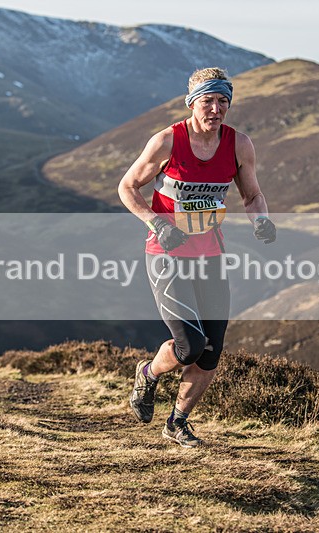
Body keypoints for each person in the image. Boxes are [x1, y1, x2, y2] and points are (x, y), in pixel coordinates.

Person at [118, 67, 277, 447]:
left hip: (211, 255)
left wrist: (262, 221)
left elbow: (252, 195)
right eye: (208, 101)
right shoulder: (167, 141)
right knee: (190, 345)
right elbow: (127, 187)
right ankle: (149, 373)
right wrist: (157, 224)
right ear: (191, 103)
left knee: (211, 351)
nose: (216, 109)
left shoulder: (239, 145)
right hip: (167, 253)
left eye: (223, 101)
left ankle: (177, 423)